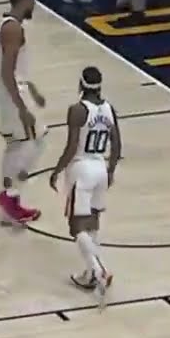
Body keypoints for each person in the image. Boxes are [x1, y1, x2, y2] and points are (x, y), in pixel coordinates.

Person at [48, 66, 120, 306]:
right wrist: (110, 171)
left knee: (76, 226)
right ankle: (89, 274)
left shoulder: (77, 110)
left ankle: (98, 269)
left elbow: (71, 146)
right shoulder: (109, 109)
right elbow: (117, 145)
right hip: (100, 167)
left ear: (81, 85)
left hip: (81, 169)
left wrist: (57, 169)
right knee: (93, 222)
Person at [0, 0, 45, 225]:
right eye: (33, 1)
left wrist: (33, 91)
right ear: (24, 0)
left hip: (10, 89)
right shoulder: (13, 28)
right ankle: (10, 195)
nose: (34, 6)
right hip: (12, 90)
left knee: (15, 145)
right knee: (36, 141)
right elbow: (8, 71)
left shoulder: (4, 23)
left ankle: (8, 210)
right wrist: (22, 107)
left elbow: (15, 66)